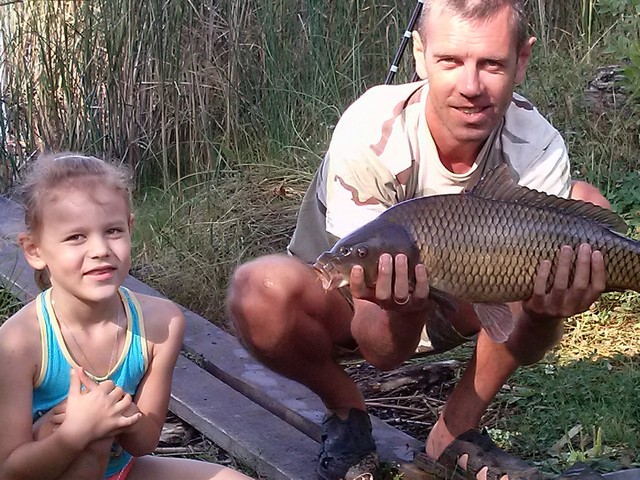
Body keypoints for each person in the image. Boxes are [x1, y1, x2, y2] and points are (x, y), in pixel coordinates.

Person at [226, 1, 612, 479]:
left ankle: (454, 430)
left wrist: (546, 312)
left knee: (586, 208)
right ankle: (347, 411)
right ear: (419, 55)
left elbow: (528, 343)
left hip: (473, 291)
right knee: (258, 290)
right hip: (350, 306)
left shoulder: (537, 144)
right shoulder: (371, 130)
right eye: (450, 61)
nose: (470, 86)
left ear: (522, 60)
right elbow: (382, 354)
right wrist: (404, 309)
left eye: (491, 64)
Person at [0, 153, 253, 480]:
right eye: (76, 237)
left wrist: (115, 410)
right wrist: (76, 434)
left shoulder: (161, 322)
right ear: (34, 250)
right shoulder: (19, 342)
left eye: (113, 231)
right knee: (93, 436)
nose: (100, 249)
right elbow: (9, 470)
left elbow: (144, 442)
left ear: (130, 229)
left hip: (122, 471)